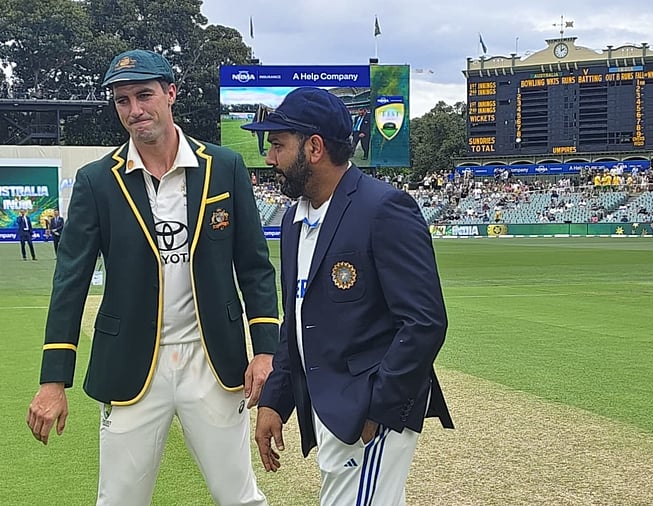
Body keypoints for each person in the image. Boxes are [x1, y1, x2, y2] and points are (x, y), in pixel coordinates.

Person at [26, 49, 279, 506]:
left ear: (170, 94)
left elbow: (255, 266)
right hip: (131, 363)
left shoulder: (224, 166)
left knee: (241, 497)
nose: (134, 110)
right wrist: (52, 379)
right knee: (119, 500)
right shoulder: (96, 181)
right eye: (122, 100)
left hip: (213, 360)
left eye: (144, 95)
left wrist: (265, 351)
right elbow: (70, 281)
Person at [242, 87, 453, 505]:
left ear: (314, 147)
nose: (270, 159)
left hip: (369, 409)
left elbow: (425, 322)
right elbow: (296, 321)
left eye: (278, 146)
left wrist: (377, 409)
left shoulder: (384, 208)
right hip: (329, 405)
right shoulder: (293, 220)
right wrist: (275, 401)